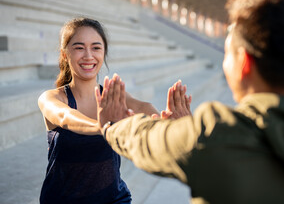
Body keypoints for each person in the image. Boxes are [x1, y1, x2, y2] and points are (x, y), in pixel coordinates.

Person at [96, 0, 284, 204]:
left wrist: (112, 125)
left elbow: (147, 141)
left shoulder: (215, 136)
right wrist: (186, 129)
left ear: (244, 62)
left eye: (228, 52)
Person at [37, 17, 191, 203]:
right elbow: (66, 117)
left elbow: (144, 108)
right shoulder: (52, 98)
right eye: (79, 47)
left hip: (114, 199)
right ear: (64, 54)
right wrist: (104, 127)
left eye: (96, 47)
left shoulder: (113, 98)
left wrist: (173, 126)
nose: (88, 55)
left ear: (104, 53)